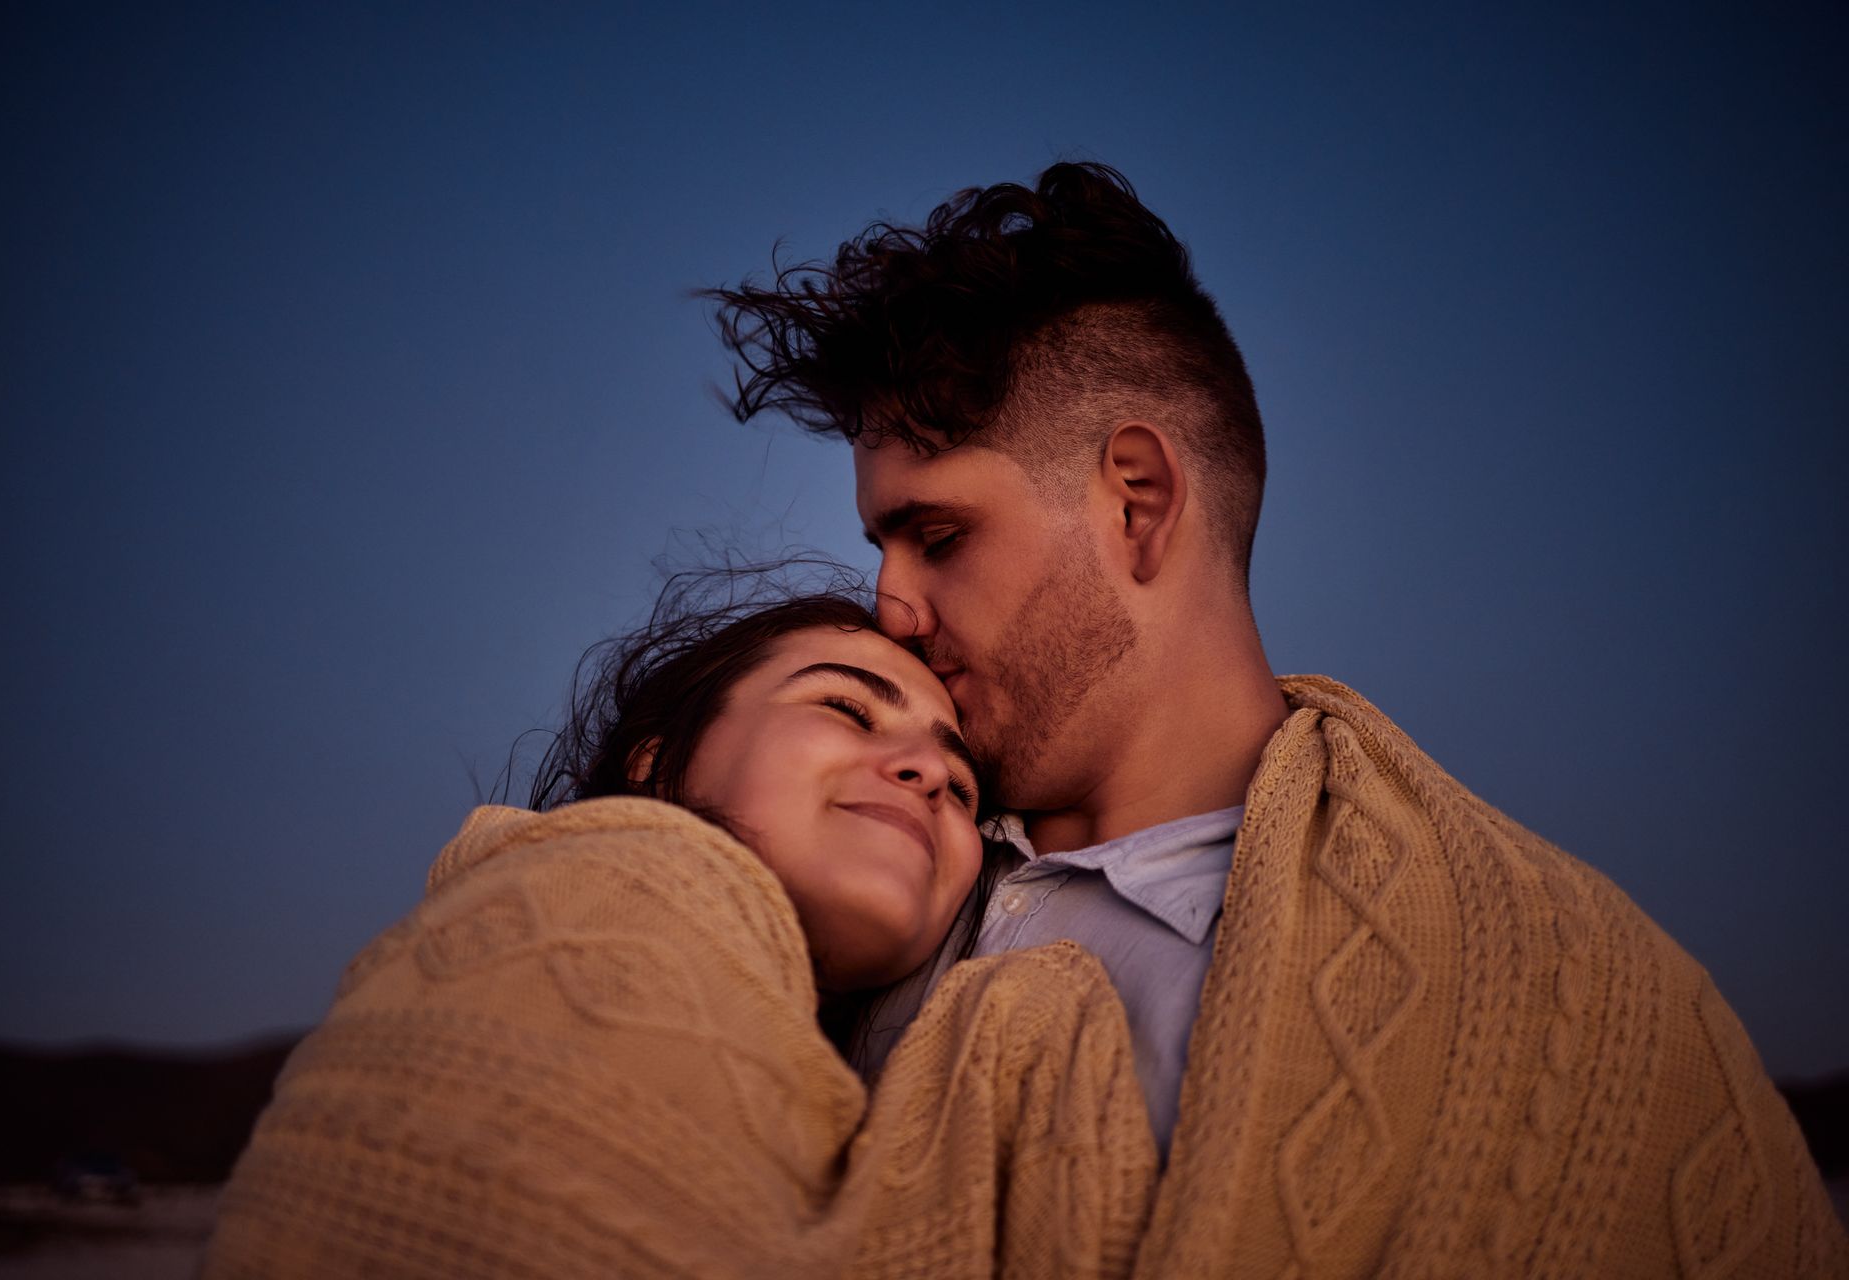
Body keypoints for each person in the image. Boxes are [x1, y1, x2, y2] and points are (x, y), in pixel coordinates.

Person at [706, 163, 1848, 1275]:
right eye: (882, 548)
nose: (888, 605)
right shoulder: (851, 854)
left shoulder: (1596, 1002)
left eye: (939, 537)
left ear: (1136, 500)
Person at [201, 586, 1160, 1279]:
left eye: (963, 787)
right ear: (659, 764)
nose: (923, 770)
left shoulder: (877, 1075)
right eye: (845, 707)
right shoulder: (596, 896)